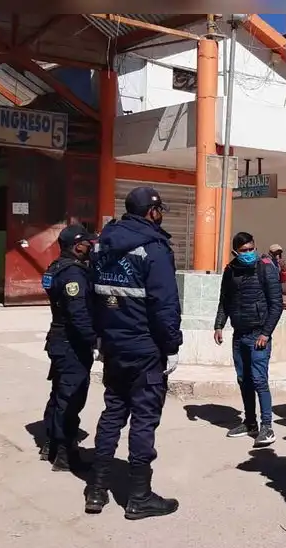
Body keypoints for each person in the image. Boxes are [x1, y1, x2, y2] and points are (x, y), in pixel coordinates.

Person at [84, 187, 183, 520]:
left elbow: (92, 297)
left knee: (113, 410)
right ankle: (139, 496)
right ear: (152, 212)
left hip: (113, 344)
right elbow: (165, 305)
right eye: (160, 211)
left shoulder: (101, 244)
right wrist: (172, 346)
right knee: (143, 418)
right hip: (145, 348)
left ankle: (96, 488)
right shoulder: (153, 249)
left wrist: (100, 336)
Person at [213, 232, 283, 445]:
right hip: (239, 335)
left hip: (258, 335)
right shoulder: (230, 270)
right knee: (244, 380)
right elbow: (224, 300)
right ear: (235, 252)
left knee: (260, 380)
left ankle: (267, 426)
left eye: (251, 249)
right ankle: (250, 422)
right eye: (243, 251)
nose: (248, 254)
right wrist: (218, 325)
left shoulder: (265, 268)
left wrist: (265, 333)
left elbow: (276, 304)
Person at [40, 224, 98, 472]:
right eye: (87, 243)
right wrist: (94, 340)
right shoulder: (73, 274)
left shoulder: (57, 267)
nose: (91, 247)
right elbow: (78, 314)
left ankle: (51, 443)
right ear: (77, 245)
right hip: (70, 342)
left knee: (59, 395)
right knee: (70, 398)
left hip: (59, 339)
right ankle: (64, 454)